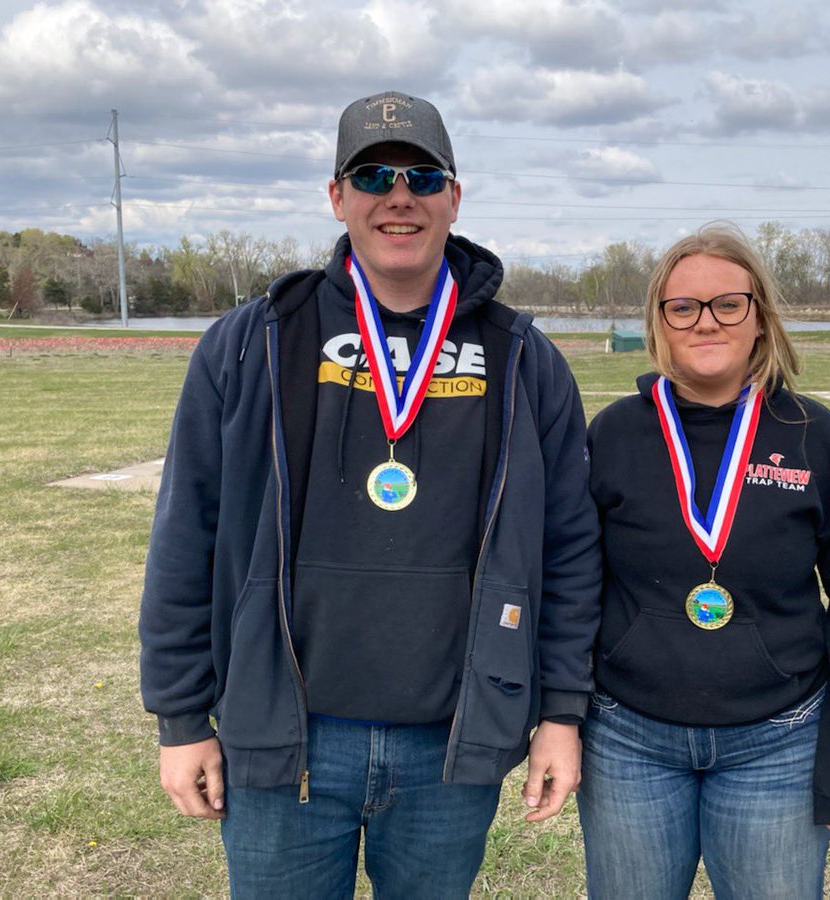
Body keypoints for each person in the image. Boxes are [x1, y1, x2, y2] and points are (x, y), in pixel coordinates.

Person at [138, 91, 600, 898]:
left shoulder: (522, 357)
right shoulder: (254, 341)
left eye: (423, 177)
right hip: (287, 738)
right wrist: (181, 719)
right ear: (337, 196)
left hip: (448, 746)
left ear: (454, 197)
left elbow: (568, 549)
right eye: (374, 175)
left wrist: (560, 711)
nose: (399, 196)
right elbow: (188, 532)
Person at [577, 223, 830, 899]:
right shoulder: (614, 433)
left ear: (760, 317)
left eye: (729, 304)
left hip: (778, 744)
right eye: (683, 307)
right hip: (628, 740)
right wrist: (558, 717)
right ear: (660, 322)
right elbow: (571, 586)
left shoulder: (815, 437)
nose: (706, 322)